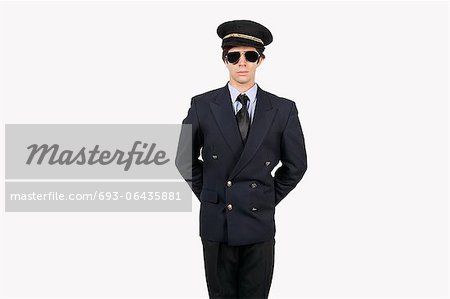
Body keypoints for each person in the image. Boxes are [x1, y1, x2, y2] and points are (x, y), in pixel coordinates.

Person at [175, 19, 307, 299]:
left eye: (250, 56)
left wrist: (265, 198)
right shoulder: (202, 104)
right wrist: (212, 194)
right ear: (224, 60)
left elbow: (296, 166)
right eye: (234, 56)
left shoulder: (283, 109)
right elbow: (184, 158)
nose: (242, 63)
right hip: (216, 222)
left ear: (261, 59)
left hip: (258, 225)